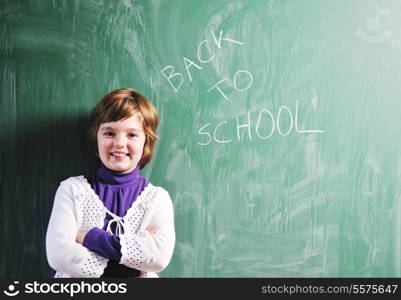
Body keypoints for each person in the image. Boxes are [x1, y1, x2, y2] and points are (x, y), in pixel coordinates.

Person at [45, 88, 175, 278]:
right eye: (109, 133)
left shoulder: (157, 199)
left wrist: (89, 237)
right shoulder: (72, 190)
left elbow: (159, 259)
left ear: (146, 141)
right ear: (96, 136)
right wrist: (132, 265)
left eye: (132, 134)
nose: (119, 143)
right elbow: (58, 257)